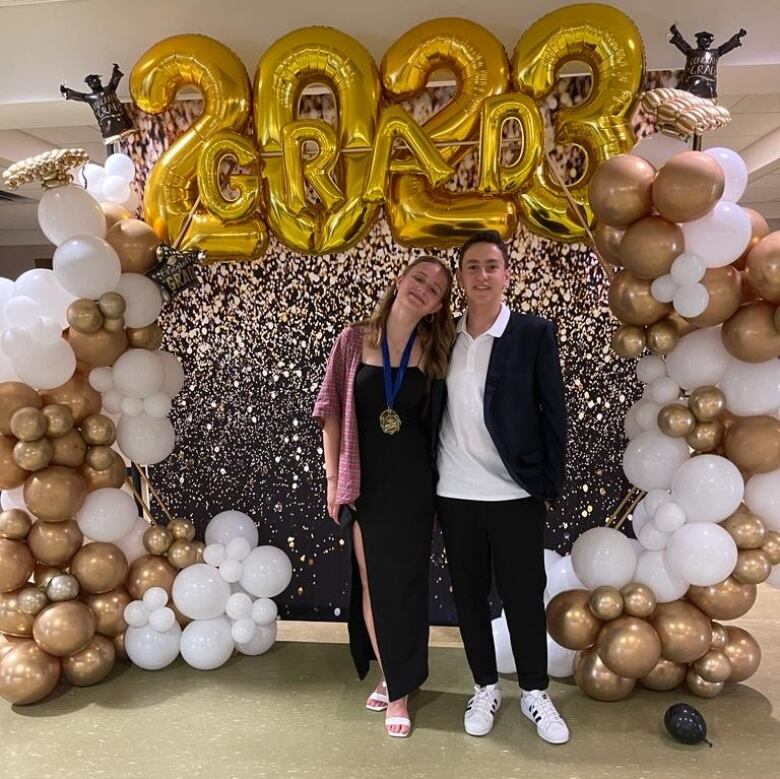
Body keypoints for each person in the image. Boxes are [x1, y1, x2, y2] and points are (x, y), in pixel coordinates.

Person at [432, 230, 569, 744]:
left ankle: (535, 691)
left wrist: (548, 483)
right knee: (468, 596)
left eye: (491, 265)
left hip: (514, 493)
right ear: (461, 277)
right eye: (471, 266)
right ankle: (484, 685)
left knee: (523, 595)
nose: (482, 275)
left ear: (506, 273)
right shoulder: (441, 334)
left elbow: (553, 411)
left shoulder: (532, 332)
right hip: (456, 490)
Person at [313, 255, 455, 738]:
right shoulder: (353, 340)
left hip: (415, 487)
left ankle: (400, 676)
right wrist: (333, 481)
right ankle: (396, 683)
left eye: (435, 289)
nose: (424, 289)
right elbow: (329, 410)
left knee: (408, 587)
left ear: (437, 306)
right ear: (399, 280)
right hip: (363, 483)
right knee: (375, 584)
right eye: (420, 278)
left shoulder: (437, 352)